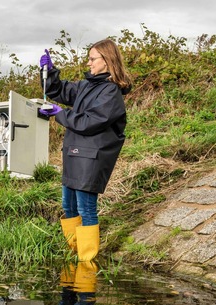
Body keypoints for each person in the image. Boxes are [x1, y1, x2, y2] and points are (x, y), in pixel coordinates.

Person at [39, 39, 132, 261]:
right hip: (74, 155)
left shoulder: (110, 93)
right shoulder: (85, 86)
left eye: (92, 59)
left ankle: (87, 261)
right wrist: (49, 72)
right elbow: (56, 90)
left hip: (92, 158)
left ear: (107, 61)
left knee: (85, 208)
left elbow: (90, 121)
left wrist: (58, 113)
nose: (88, 63)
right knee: (68, 205)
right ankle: (74, 252)